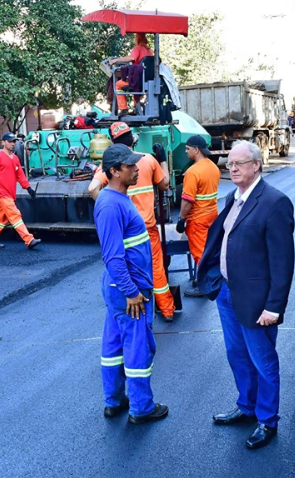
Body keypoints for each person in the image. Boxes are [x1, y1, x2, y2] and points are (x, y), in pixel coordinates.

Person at [196, 140, 295, 450]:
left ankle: (267, 420)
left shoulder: (275, 202)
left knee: (263, 360)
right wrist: (213, 278)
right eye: (230, 164)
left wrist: (274, 307)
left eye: (240, 163)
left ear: (257, 165)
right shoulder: (232, 197)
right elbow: (218, 240)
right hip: (228, 293)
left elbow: (283, 262)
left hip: (257, 302)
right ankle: (247, 405)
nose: (233, 168)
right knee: (236, 354)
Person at [94, 143, 169, 424]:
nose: (137, 169)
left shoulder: (115, 199)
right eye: (131, 166)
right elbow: (113, 257)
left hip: (119, 288)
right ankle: (141, 407)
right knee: (138, 346)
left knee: (114, 344)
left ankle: (114, 401)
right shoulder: (112, 205)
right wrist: (133, 292)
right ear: (114, 171)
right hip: (129, 289)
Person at [88, 122, 176, 322]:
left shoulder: (110, 166)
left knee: (126, 266)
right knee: (156, 268)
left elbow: (93, 189)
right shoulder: (148, 160)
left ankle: (136, 305)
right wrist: (163, 161)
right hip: (146, 228)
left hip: (125, 229)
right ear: (132, 138)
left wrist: (108, 207)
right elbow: (164, 184)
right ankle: (167, 310)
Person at [176, 135, 220, 298]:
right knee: (210, 251)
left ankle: (205, 286)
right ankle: (208, 280)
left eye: (187, 149)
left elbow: (187, 200)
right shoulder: (213, 167)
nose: (186, 152)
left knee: (200, 254)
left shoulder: (193, 172)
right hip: (212, 216)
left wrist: (181, 219)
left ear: (196, 149)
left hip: (197, 220)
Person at [0, 133, 41, 250]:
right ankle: (29, 240)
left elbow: (20, 175)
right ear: (3, 142)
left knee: (0, 219)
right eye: (10, 141)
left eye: (14, 141)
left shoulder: (14, 158)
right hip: (2, 194)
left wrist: (28, 188)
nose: (13, 144)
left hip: (10, 194)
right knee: (15, 215)